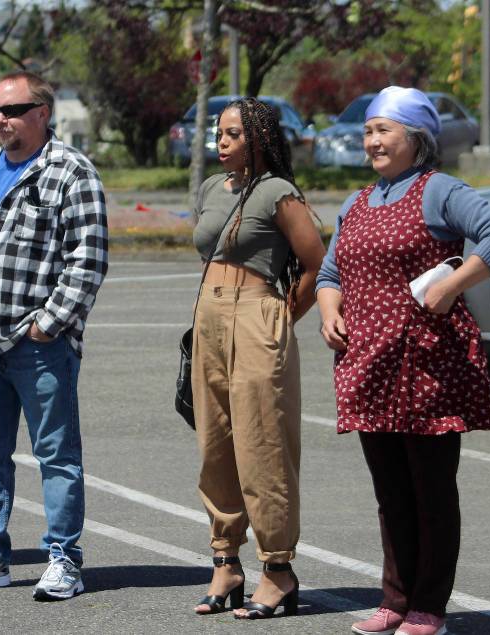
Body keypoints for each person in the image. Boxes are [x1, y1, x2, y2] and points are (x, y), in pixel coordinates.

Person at [315, 86, 490, 635]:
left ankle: (430, 604)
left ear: (417, 138)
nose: (373, 141)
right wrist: (329, 311)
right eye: (368, 132)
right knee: (391, 492)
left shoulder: (440, 191)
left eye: (385, 130)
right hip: (369, 365)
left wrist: (452, 284)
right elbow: (330, 273)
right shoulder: (356, 202)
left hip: (426, 365)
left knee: (430, 490)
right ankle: (396, 599)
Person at [0, 71, 108, 601]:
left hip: (39, 347)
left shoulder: (70, 173)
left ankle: (64, 559)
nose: (0, 120)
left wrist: (47, 324)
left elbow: (88, 258)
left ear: (42, 112)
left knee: (56, 454)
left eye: (12, 109)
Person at [190, 98, 325, 619]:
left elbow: (317, 264)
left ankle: (278, 569)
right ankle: (225, 561)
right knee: (215, 443)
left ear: (260, 139)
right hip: (209, 315)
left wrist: (278, 317)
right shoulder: (210, 189)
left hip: (257, 314)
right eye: (219, 133)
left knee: (262, 443)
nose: (221, 142)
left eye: (232, 134)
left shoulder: (278, 193)